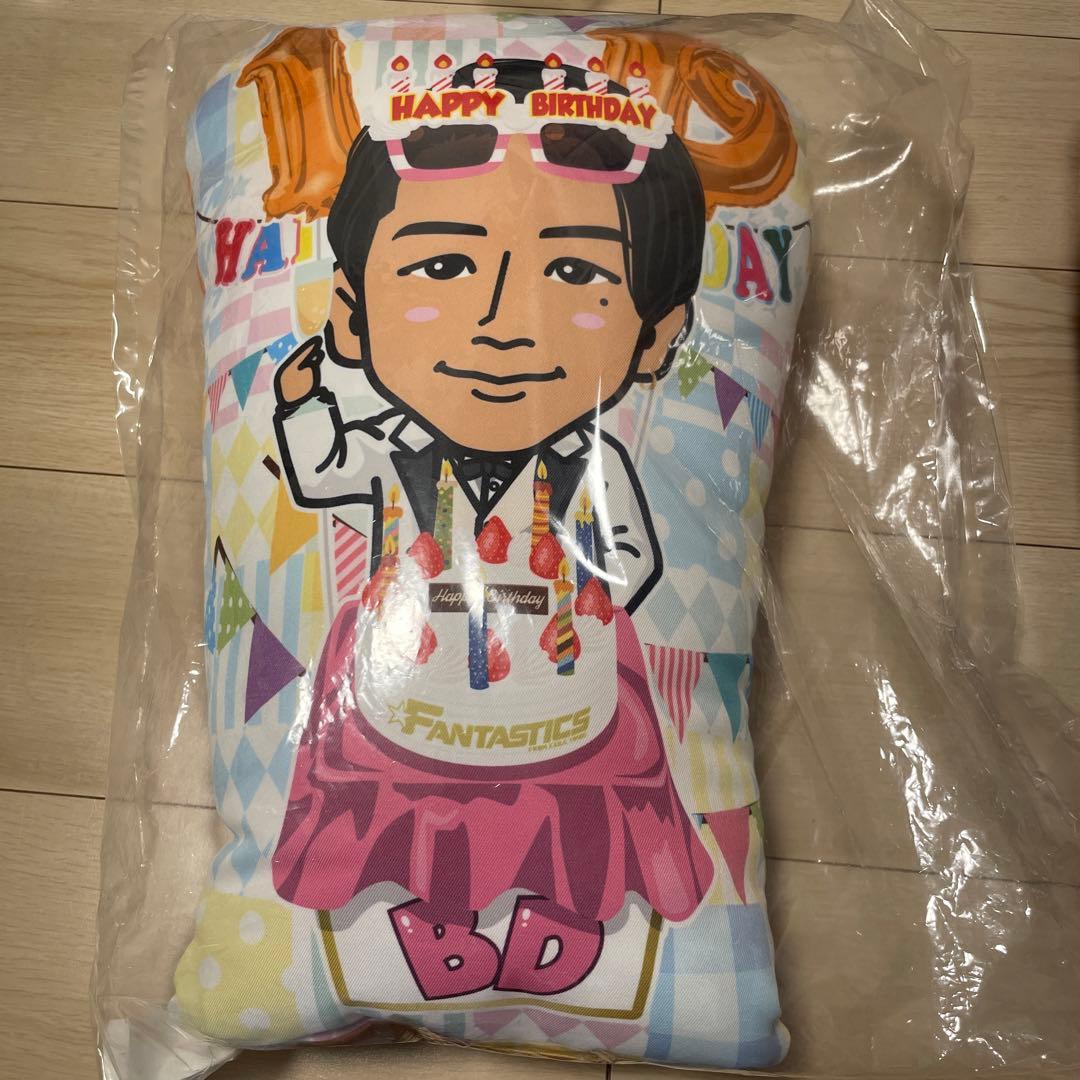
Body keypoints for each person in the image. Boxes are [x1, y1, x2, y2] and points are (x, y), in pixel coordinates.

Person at [270, 56, 715, 1001]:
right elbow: (319, 472)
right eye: (443, 266)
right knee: (401, 797)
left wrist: (588, 592)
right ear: (351, 314)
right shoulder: (388, 453)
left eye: (574, 273)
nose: (505, 324)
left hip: (564, 682)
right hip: (406, 683)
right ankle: (433, 915)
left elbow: (630, 557)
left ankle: (572, 905)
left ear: (655, 335)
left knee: (585, 794)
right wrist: (302, 404)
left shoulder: (593, 469)